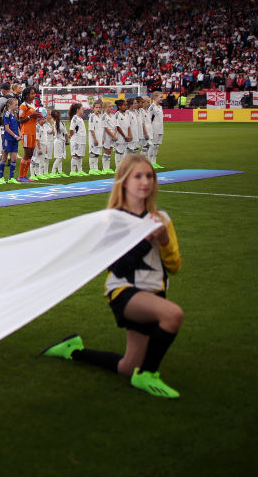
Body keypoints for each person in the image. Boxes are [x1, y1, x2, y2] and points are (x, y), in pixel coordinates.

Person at [41, 154, 184, 398]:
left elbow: (174, 266)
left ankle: (72, 350)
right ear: (124, 182)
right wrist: (142, 241)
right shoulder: (113, 221)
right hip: (123, 292)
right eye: (138, 176)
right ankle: (148, 374)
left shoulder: (162, 219)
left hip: (154, 292)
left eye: (149, 176)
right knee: (173, 315)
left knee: (128, 367)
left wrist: (163, 239)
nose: (145, 181)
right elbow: (117, 267)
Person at [16, 87, 39, 183]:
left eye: (34, 93)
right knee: (27, 154)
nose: (34, 95)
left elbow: (33, 118)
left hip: (33, 131)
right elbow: (21, 120)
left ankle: (25, 175)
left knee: (30, 154)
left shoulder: (32, 105)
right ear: (26, 95)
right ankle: (21, 176)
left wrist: (38, 115)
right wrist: (31, 116)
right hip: (26, 132)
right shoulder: (23, 106)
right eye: (32, 94)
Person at [0, 98, 21, 183]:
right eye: (15, 105)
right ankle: (1, 177)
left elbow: (17, 126)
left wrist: (20, 133)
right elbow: (7, 128)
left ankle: (11, 178)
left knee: (14, 158)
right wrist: (15, 136)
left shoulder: (15, 114)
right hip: (8, 138)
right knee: (4, 156)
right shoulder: (6, 115)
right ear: (10, 105)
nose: (17, 106)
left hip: (15, 139)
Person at [68, 103, 87, 176]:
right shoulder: (75, 118)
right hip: (76, 140)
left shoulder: (80, 119)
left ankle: (80, 171)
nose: (83, 110)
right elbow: (71, 129)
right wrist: (71, 135)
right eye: (82, 109)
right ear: (78, 110)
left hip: (81, 140)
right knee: (75, 155)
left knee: (80, 155)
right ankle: (72, 171)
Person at [147, 91, 165, 169]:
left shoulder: (160, 107)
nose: (162, 98)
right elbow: (148, 119)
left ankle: (154, 163)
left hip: (160, 129)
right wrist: (149, 130)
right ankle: (149, 163)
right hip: (154, 129)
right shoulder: (152, 107)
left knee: (157, 146)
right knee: (152, 146)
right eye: (161, 97)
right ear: (155, 98)